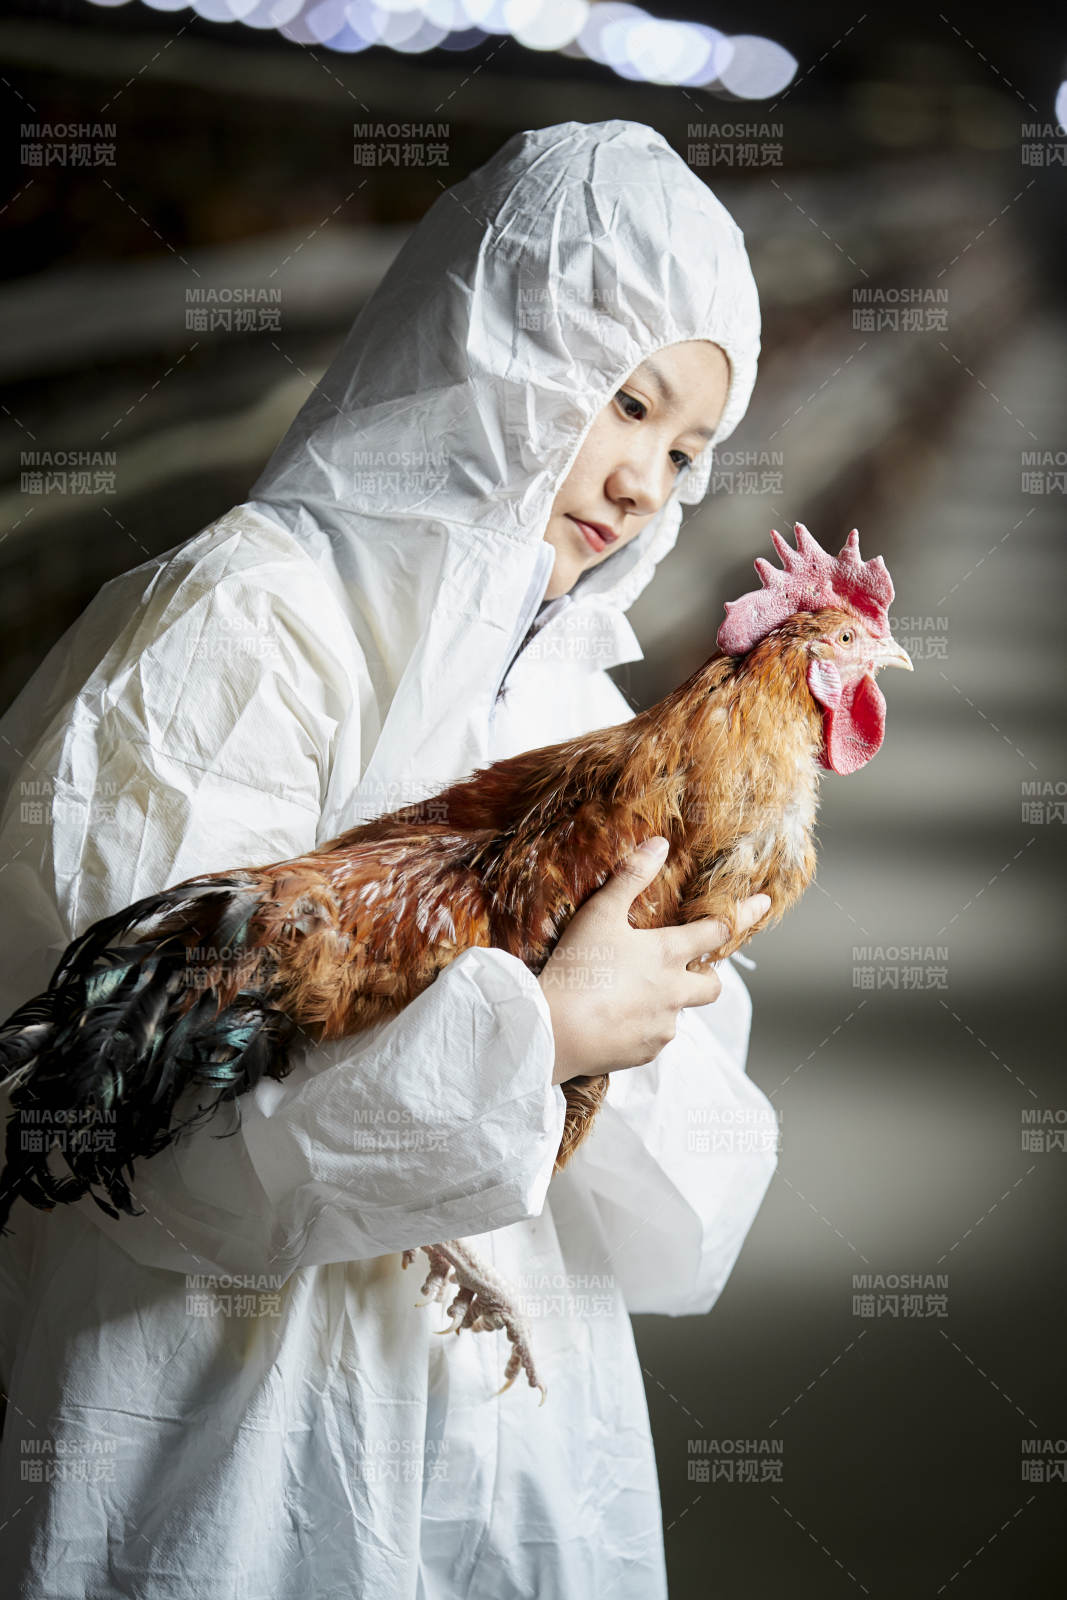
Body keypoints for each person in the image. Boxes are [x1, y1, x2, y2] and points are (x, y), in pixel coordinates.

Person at [0, 120, 775, 1598]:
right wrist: (540, 1035)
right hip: (228, 1424)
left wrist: (633, 1032)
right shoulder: (238, 632)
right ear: (501, 339)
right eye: (624, 403)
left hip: (512, 1420)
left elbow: (686, 1216)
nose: (640, 484)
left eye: (685, 453)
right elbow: (149, 1155)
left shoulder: (570, 699)